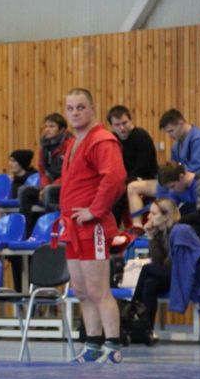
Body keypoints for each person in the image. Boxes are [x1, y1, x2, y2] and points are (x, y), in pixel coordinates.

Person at [57, 89, 127, 364]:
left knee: (98, 290)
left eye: (81, 107)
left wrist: (95, 211)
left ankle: (113, 346)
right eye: (70, 108)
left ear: (93, 108)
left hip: (92, 226)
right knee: (81, 290)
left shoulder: (102, 140)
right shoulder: (74, 142)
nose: (75, 113)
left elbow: (116, 178)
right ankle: (93, 344)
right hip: (73, 226)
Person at [127, 109, 200, 232]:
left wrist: (170, 178)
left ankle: (160, 220)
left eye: (171, 131)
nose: (170, 136)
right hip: (180, 181)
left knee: (166, 185)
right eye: (167, 132)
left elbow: (198, 170)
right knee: (135, 186)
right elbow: (171, 169)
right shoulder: (177, 145)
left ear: (181, 123)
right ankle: (139, 226)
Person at [127, 199, 179, 343]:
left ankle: (132, 308)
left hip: (182, 276)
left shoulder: (178, 231)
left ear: (166, 216)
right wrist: (151, 237)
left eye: (153, 213)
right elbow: (157, 263)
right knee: (150, 283)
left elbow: (171, 265)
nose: (149, 217)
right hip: (167, 274)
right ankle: (146, 330)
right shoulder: (159, 232)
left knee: (146, 268)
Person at [18, 114, 74, 239]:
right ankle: (26, 233)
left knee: (49, 191)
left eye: (52, 126)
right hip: (50, 186)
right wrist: (43, 187)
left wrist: (49, 187)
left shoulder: (71, 144)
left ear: (61, 130)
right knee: (24, 191)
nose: (47, 129)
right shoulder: (44, 146)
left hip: (66, 187)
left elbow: (69, 172)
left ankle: (47, 232)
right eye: (46, 126)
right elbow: (42, 170)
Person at [106, 105, 158, 225]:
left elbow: (144, 166)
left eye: (125, 123)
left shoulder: (141, 136)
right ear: (112, 126)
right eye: (117, 125)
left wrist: (124, 180)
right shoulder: (112, 139)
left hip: (145, 177)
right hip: (125, 177)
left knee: (119, 191)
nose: (122, 128)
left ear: (130, 120)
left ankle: (115, 226)